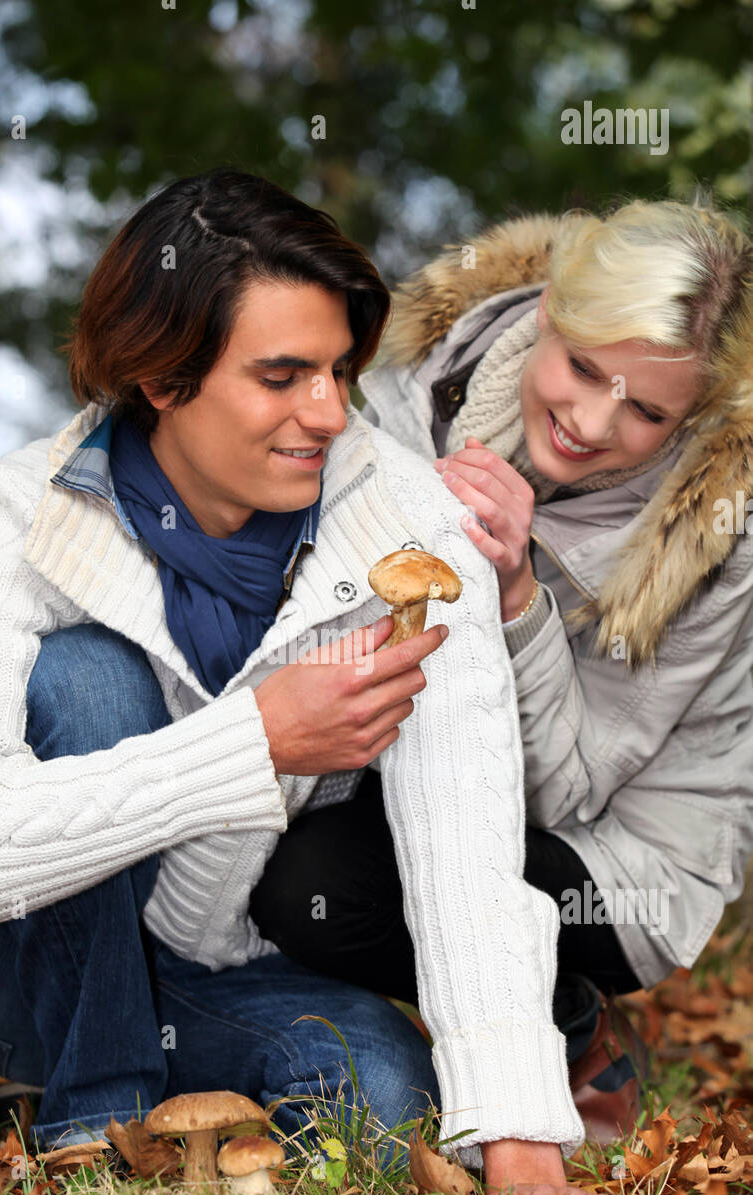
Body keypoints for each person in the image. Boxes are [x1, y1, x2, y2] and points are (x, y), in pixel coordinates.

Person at [0, 168, 609, 1195]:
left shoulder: (404, 525)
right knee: (88, 680)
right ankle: (90, 1111)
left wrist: (519, 1145)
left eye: (336, 372)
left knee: (385, 1095)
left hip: (201, 964)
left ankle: (149, 1088)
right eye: (281, 377)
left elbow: (465, 836)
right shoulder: (8, 519)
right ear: (164, 379)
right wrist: (255, 742)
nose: (326, 414)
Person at [251, 197, 753, 1144]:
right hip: (415, 759)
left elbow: (565, 789)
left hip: (617, 851)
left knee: (313, 886)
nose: (592, 421)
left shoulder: (713, 537)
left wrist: (515, 591)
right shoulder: (419, 382)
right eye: (583, 367)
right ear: (549, 315)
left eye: (647, 410)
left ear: (696, 415)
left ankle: (570, 1022)